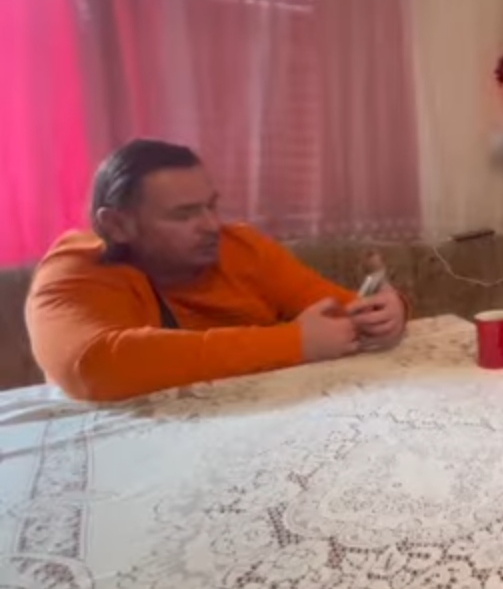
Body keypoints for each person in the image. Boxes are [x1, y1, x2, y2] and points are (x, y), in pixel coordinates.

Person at [25, 139, 408, 402]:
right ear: (117, 225)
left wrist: (387, 312)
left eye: (211, 206)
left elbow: (337, 311)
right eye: (184, 215)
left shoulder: (239, 245)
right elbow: (94, 366)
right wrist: (295, 343)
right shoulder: (74, 269)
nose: (211, 226)